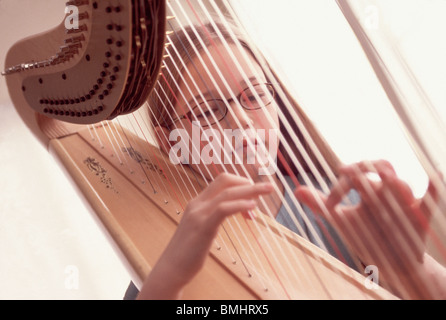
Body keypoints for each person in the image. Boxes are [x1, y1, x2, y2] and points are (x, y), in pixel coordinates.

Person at [127, 20, 446, 300]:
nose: (241, 121)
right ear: (170, 141)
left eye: (253, 95)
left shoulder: (340, 205)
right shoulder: (167, 250)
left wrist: (410, 273)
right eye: (208, 110)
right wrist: (169, 277)